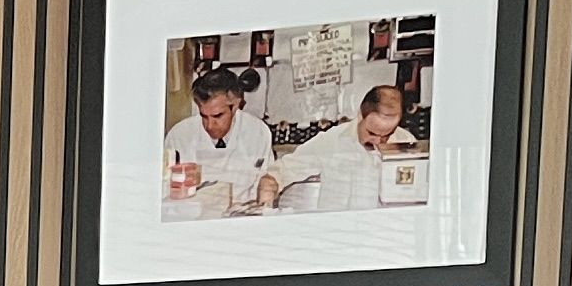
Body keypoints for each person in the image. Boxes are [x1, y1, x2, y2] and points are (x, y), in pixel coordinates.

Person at [264, 79, 423, 211]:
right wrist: (269, 185)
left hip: (381, 236)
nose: (379, 141)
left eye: (387, 134)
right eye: (372, 133)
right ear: (360, 115)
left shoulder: (406, 143)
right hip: (337, 235)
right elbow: (283, 170)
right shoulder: (331, 141)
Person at [162, 65, 278, 214]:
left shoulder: (258, 132)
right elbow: (161, 194)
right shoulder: (180, 135)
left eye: (218, 116)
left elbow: (266, 182)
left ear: (235, 106)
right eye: (204, 116)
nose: (209, 125)